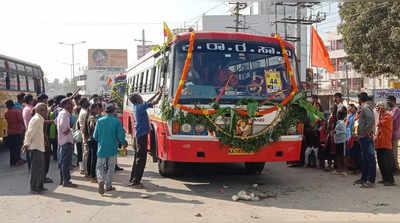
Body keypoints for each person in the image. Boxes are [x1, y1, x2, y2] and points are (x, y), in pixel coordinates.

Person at [129, 88, 163, 187]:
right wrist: (160, 95)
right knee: (141, 159)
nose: (141, 97)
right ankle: (136, 181)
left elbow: (148, 102)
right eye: (140, 96)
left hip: (139, 135)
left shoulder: (137, 106)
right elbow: (154, 102)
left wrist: (156, 93)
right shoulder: (140, 107)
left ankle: (133, 178)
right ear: (137, 99)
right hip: (141, 136)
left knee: (138, 157)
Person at [93, 104, 127, 194]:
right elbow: (120, 135)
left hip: (101, 148)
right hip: (112, 148)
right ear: (113, 111)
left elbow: (95, 136)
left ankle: (100, 180)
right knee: (111, 167)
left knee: (99, 166)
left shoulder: (99, 121)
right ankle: (108, 185)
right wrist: (124, 142)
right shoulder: (117, 121)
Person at [22, 103, 48, 194]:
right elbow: (29, 133)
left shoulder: (39, 119)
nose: (47, 113)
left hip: (39, 146)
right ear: (41, 111)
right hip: (35, 147)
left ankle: (39, 186)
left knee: (40, 168)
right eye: (46, 110)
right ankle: (34, 187)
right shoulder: (36, 119)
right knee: (36, 169)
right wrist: (26, 144)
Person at [354, 93, 376, 188]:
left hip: (366, 137)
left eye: (358, 99)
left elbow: (370, 121)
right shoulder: (364, 107)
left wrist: (365, 133)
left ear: (360, 99)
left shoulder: (366, 108)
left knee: (370, 158)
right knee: (365, 158)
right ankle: (364, 178)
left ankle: (371, 180)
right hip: (363, 137)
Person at [57, 98, 78, 188]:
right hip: (66, 141)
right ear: (65, 105)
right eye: (70, 104)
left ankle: (63, 180)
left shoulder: (63, 113)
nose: (72, 105)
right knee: (66, 163)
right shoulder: (65, 114)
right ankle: (66, 181)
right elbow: (64, 128)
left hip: (64, 140)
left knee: (63, 162)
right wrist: (70, 129)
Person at [375, 103, 396, 186]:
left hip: (385, 143)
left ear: (384, 107)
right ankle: (384, 178)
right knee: (380, 162)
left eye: (380, 106)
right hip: (379, 142)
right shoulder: (381, 116)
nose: (378, 108)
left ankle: (390, 180)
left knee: (386, 162)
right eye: (377, 106)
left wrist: (378, 114)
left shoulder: (388, 116)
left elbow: (378, 123)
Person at [4, 100, 25, 167]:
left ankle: (12, 162)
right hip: (17, 131)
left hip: (10, 132)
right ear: (13, 105)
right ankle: (18, 161)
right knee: (17, 147)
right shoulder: (17, 112)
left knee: (12, 148)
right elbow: (21, 120)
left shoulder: (6, 113)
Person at [86, 103, 101, 183]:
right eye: (97, 109)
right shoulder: (92, 118)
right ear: (92, 109)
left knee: (90, 157)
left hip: (90, 139)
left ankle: (89, 173)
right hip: (93, 139)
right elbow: (92, 126)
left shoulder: (90, 116)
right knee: (93, 158)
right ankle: (92, 176)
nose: (98, 110)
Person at [386, 95, 400, 175]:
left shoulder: (396, 109)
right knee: (390, 152)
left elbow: (391, 118)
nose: (387, 102)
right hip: (389, 134)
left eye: (388, 101)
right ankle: (392, 168)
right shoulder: (390, 110)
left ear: (393, 101)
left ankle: (396, 169)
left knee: (394, 153)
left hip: (394, 134)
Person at [78, 98, 90, 175]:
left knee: (85, 152)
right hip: (85, 134)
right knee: (86, 153)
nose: (88, 103)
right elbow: (85, 126)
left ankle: (84, 169)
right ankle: (85, 170)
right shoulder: (85, 112)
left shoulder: (83, 111)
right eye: (86, 102)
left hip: (84, 133)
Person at [334, 110, 347, 176]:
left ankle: (344, 170)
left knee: (342, 156)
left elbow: (344, 132)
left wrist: (336, 132)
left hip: (341, 141)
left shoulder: (342, 123)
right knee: (338, 155)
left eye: (338, 114)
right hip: (337, 141)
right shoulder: (338, 122)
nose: (336, 115)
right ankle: (339, 169)